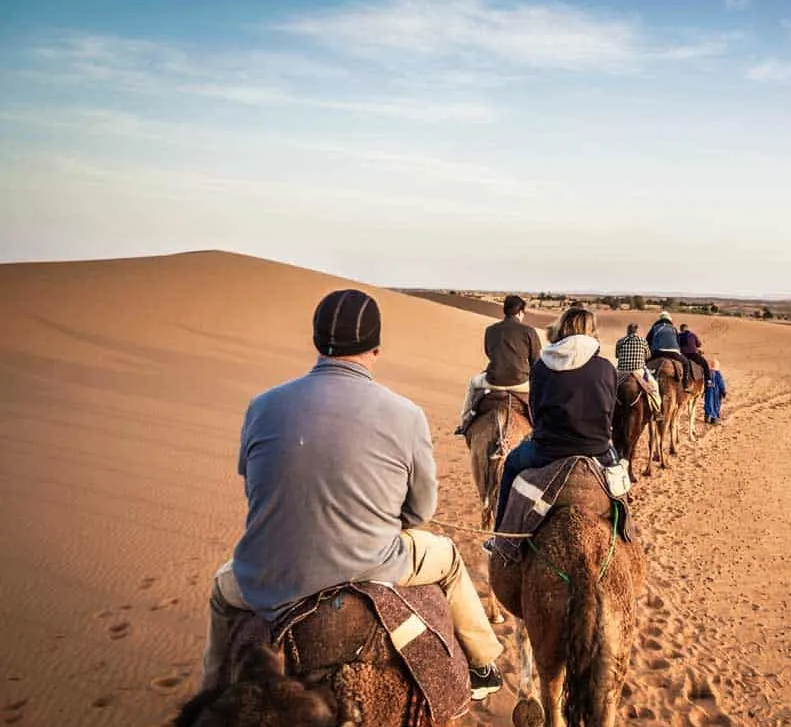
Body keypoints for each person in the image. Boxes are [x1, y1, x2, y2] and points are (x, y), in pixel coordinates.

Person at [203, 288, 504, 700]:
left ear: (315, 341)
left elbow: (252, 482)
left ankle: (210, 694)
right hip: (370, 564)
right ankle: (484, 663)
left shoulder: (260, 406)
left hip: (269, 571)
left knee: (222, 591)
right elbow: (421, 511)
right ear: (376, 348)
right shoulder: (406, 414)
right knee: (449, 558)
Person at [492, 307, 618, 530]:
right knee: (621, 485)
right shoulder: (607, 368)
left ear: (562, 329)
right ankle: (626, 532)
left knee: (511, 464)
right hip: (597, 449)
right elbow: (610, 411)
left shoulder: (541, 366)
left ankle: (500, 535)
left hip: (547, 451)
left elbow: (535, 411)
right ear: (591, 331)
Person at [455, 294, 542, 436]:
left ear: (505, 311)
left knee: (473, 383)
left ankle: (464, 423)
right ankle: (541, 427)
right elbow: (536, 361)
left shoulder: (490, 330)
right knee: (539, 391)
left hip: (493, 381)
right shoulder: (529, 331)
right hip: (521, 383)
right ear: (520, 312)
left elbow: (489, 353)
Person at [615, 322, 662, 418]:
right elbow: (648, 356)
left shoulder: (620, 341)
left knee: (609, 388)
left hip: (622, 372)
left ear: (627, 331)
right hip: (638, 371)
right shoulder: (643, 341)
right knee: (654, 388)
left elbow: (617, 355)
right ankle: (657, 411)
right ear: (637, 331)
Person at [705, 357, 728, 424]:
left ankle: (706, 416)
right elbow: (721, 382)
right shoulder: (718, 374)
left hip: (708, 392)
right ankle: (714, 418)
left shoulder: (708, 373)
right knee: (716, 404)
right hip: (716, 393)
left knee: (708, 403)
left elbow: (705, 382)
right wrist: (723, 390)